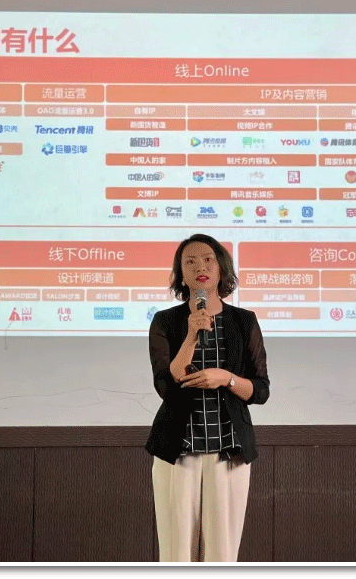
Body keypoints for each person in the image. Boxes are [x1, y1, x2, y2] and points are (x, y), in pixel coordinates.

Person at [145, 233, 270, 562]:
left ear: (221, 268)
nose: (200, 267)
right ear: (181, 274)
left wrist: (226, 378)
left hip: (228, 451)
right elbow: (166, 385)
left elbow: (260, 389)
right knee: (177, 553)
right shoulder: (165, 321)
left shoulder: (243, 321)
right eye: (190, 262)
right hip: (178, 449)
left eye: (207, 260)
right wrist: (191, 334)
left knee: (221, 553)